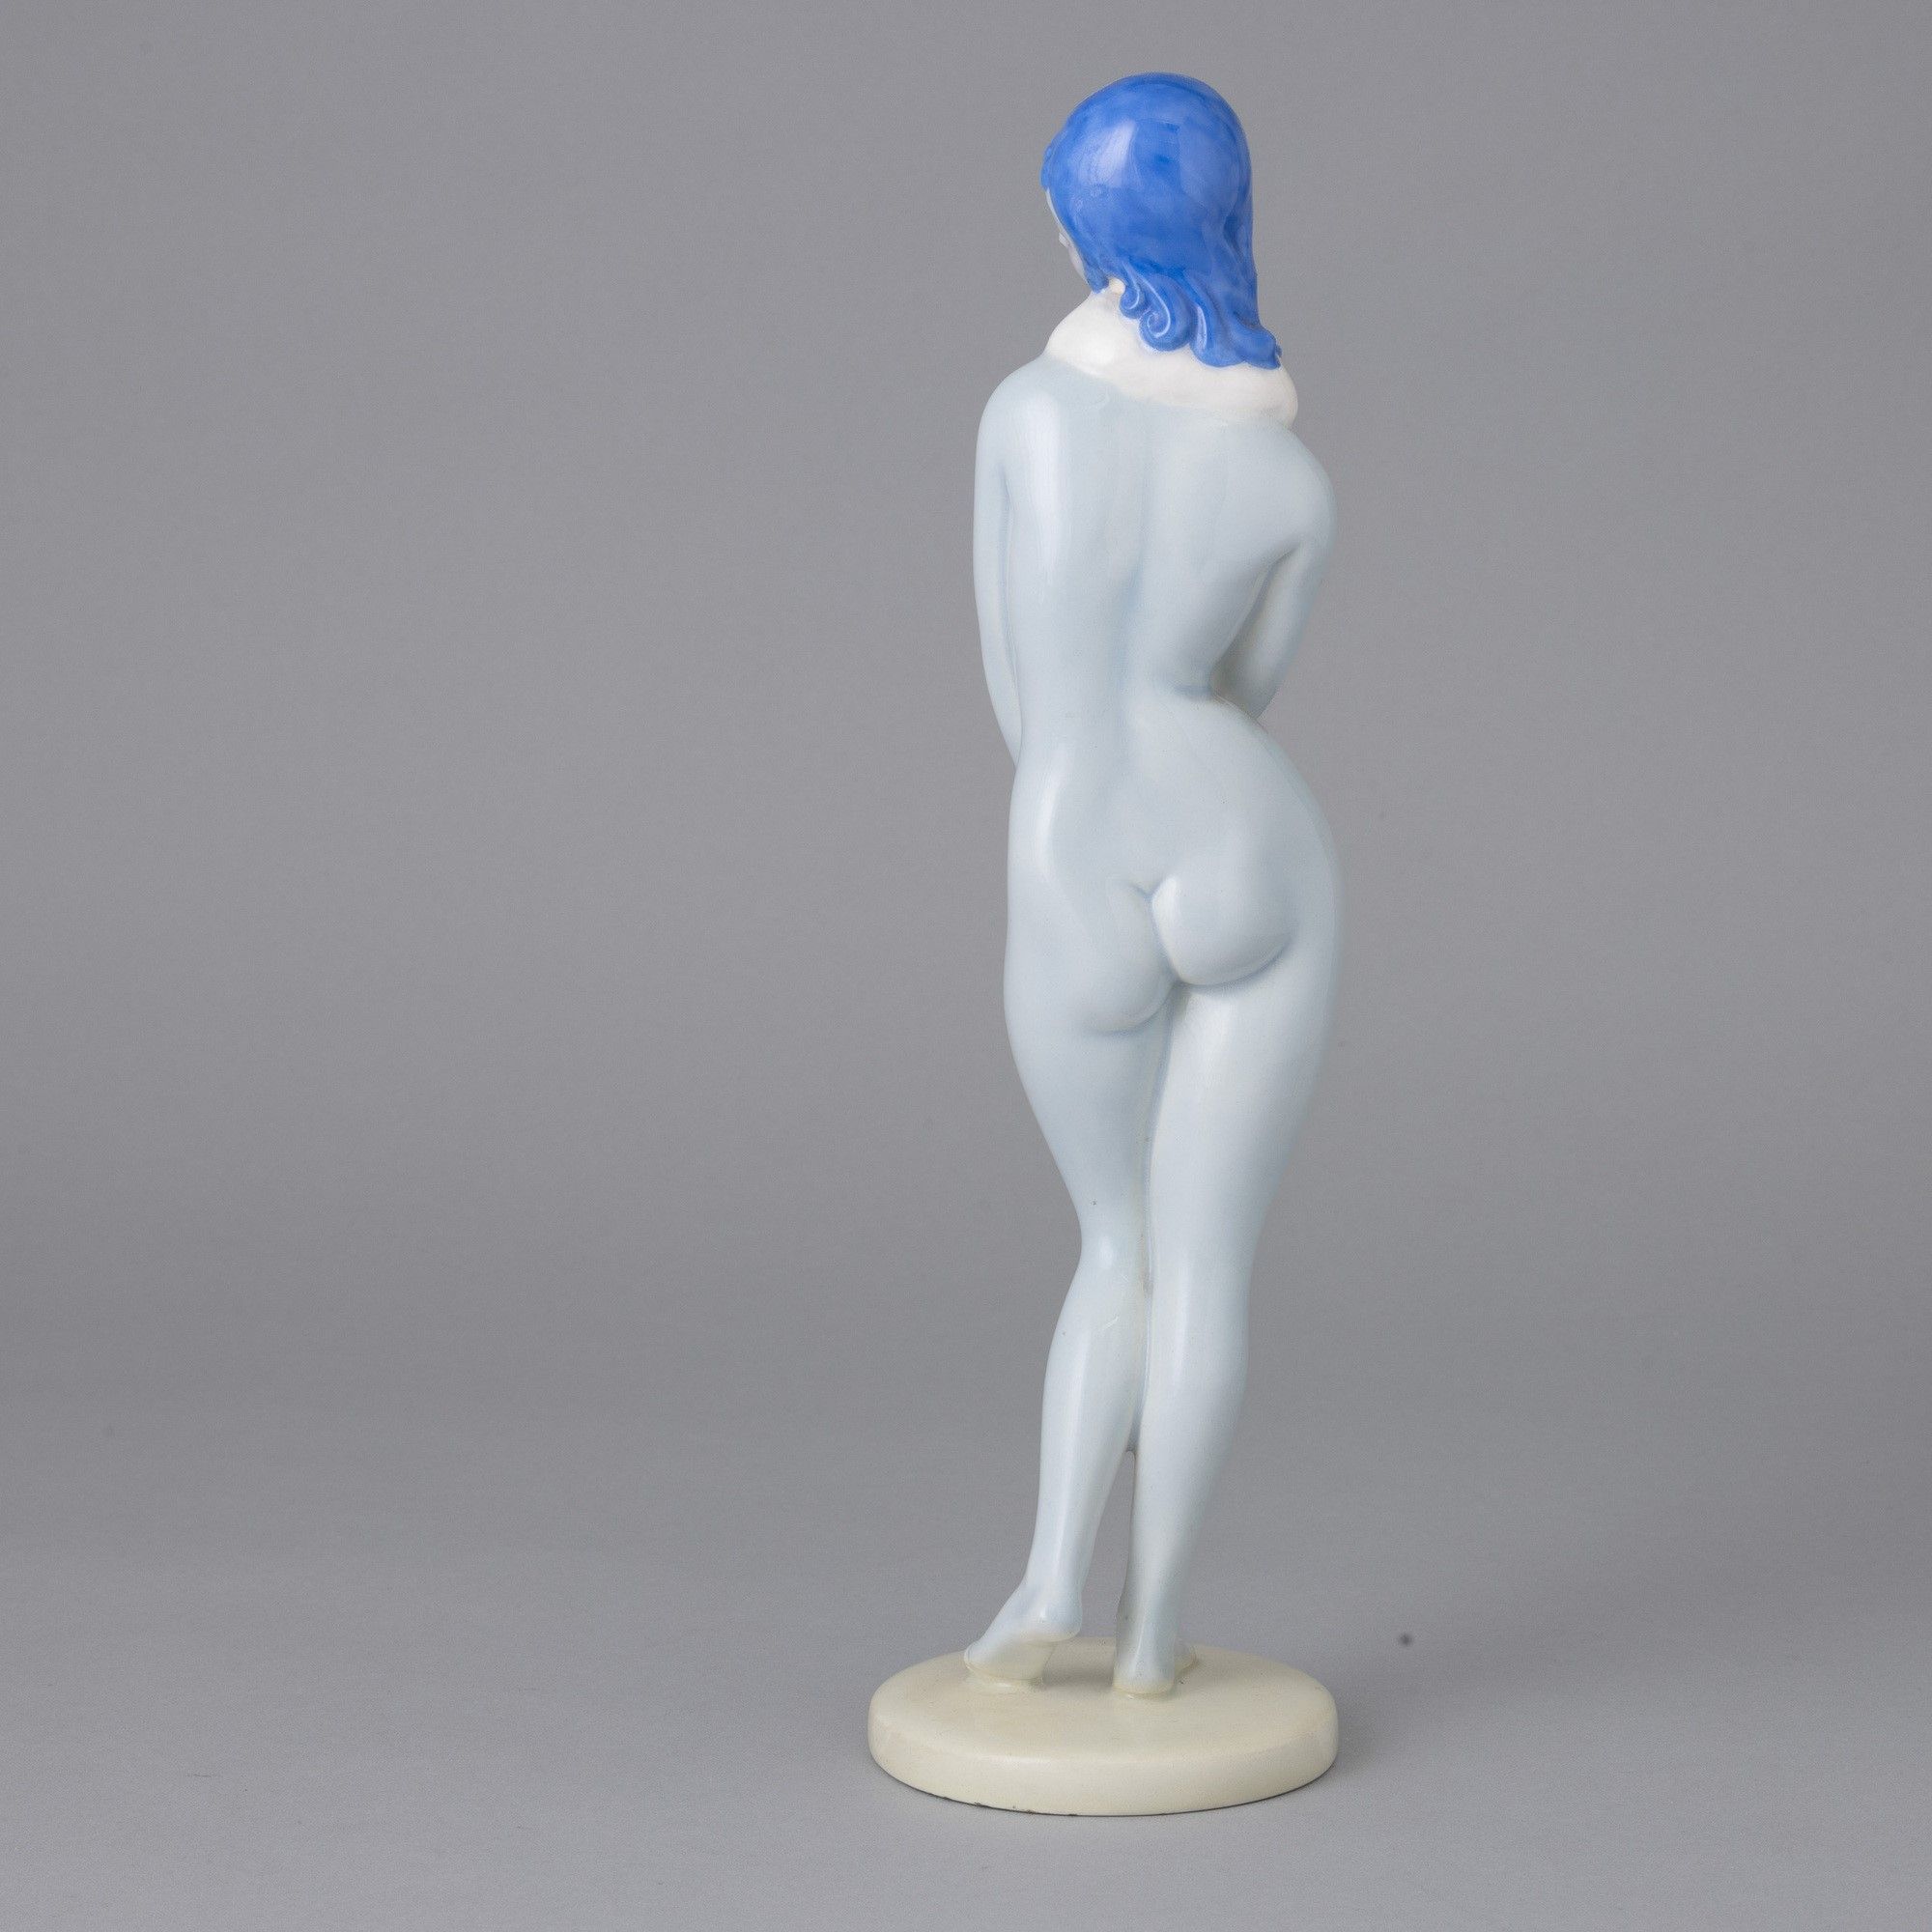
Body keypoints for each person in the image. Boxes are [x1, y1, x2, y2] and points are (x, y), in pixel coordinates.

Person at [964, 72, 1340, 1697]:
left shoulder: (1025, 417)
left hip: (1073, 845)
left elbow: (1018, 694)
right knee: (1209, 1265)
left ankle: (1053, 1581)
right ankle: (1154, 1640)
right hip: (1248, 845)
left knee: (1113, 1243)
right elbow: (1244, 695)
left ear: (1094, 231)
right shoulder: (1291, 482)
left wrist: (1082, 815)